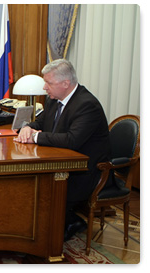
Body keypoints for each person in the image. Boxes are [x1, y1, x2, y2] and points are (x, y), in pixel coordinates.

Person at [14, 59, 112, 241]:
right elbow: (40, 123)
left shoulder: (87, 105)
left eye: (48, 83)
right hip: (62, 161)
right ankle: (33, 229)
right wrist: (27, 127)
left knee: (42, 190)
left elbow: (72, 140)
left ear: (66, 84)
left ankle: (59, 230)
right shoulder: (54, 100)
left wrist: (35, 137)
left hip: (86, 171)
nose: (44, 87)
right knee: (26, 185)